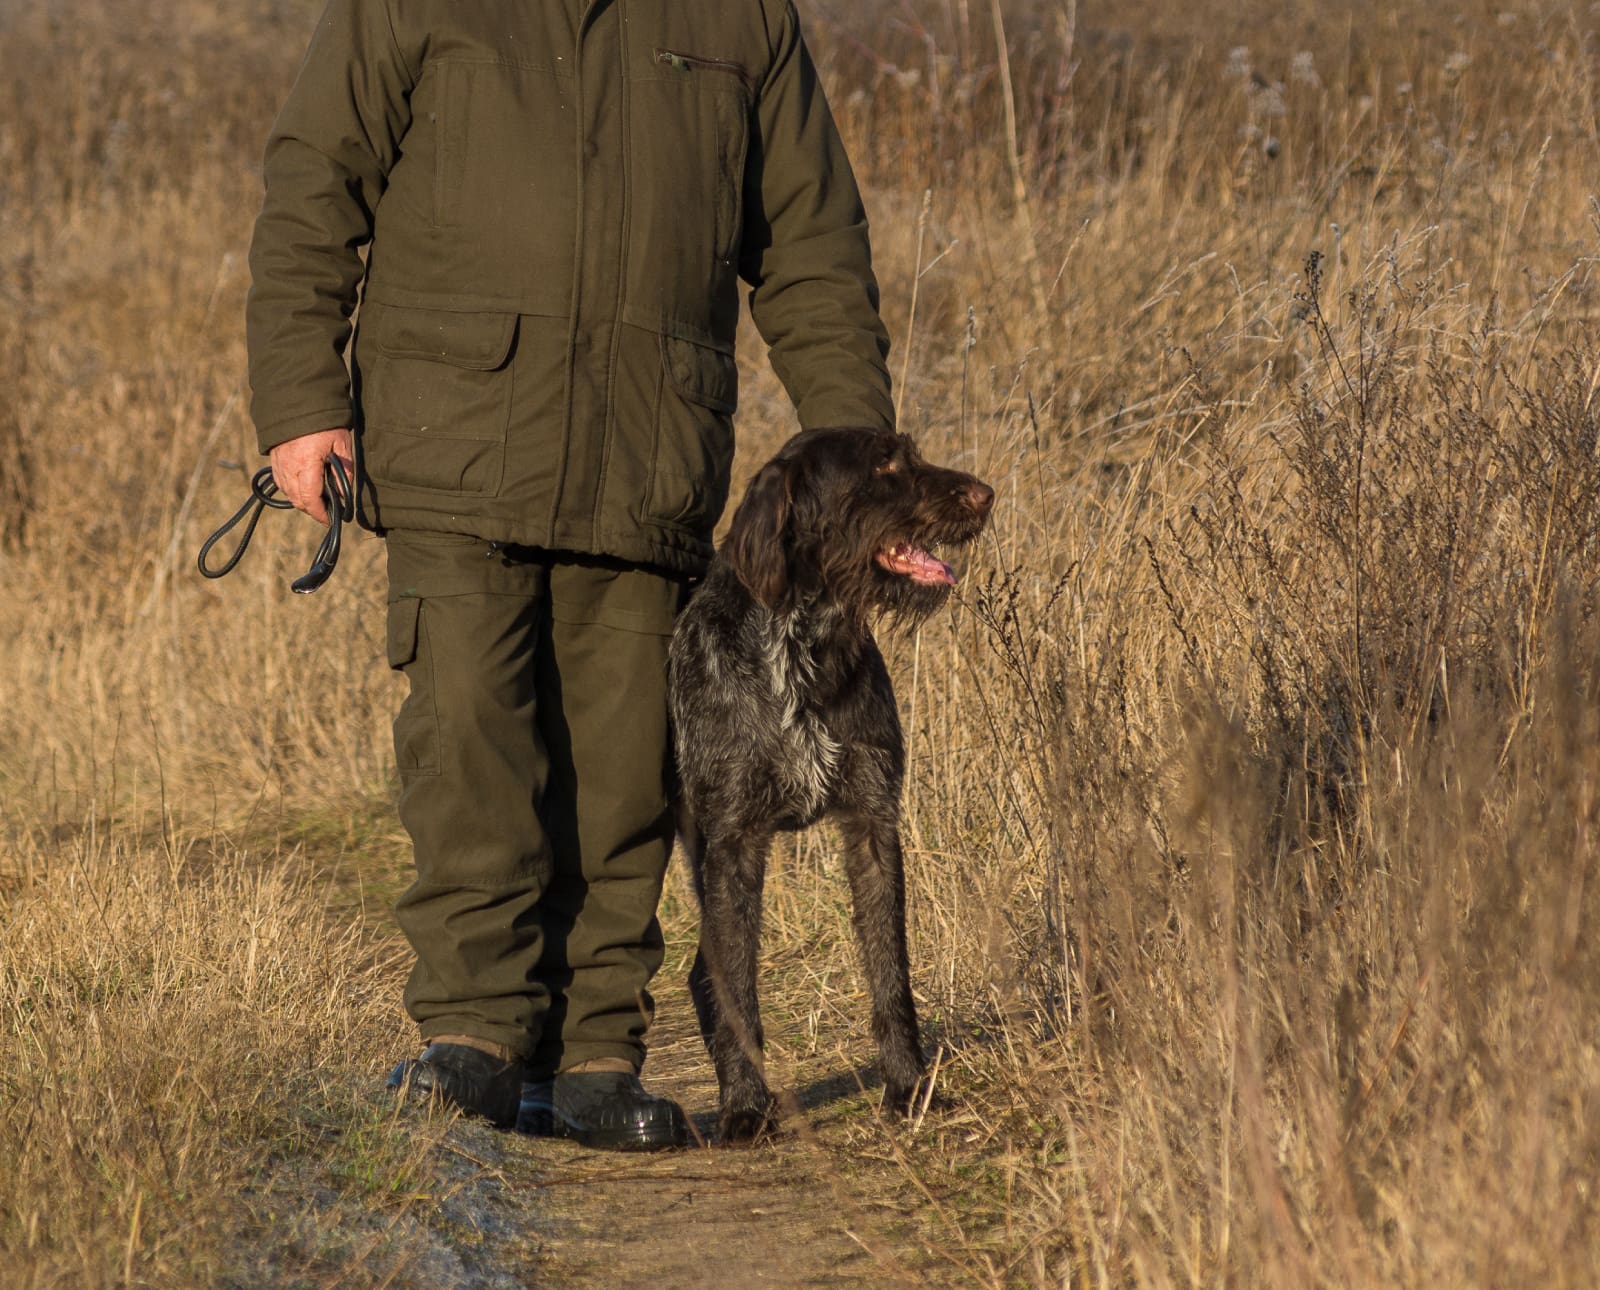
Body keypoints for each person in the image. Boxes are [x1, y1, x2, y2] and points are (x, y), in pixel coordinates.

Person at [246, 0, 895, 1150]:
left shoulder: (743, 16)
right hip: (453, 435)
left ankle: (599, 1056)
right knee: (468, 744)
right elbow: (316, 184)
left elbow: (810, 241)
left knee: (630, 766)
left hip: (648, 455)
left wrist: (863, 467)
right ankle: (478, 1039)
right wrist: (303, 406)